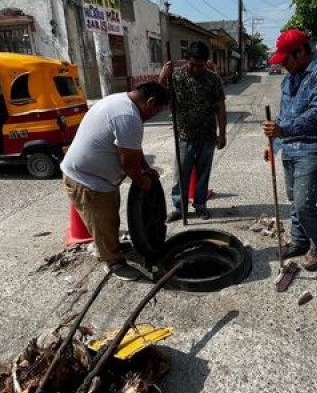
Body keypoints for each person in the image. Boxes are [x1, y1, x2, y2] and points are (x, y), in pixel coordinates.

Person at [60, 82, 169, 281]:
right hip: (87, 181)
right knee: (102, 221)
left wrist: (145, 167)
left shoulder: (121, 101)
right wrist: (142, 181)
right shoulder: (128, 116)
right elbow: (128, 163)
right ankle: (113, 262)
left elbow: (132, 147)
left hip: (95, 177)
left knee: (108, 219)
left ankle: (111, 245)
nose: (155, 114)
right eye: (158, 110)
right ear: (150, 102)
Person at [262, 29, 317, 271]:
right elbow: (284, 114)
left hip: (315, 147)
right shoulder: (290, 79)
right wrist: (274, 143)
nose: (284, 65)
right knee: (294, 199)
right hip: (290, 148)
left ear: (301, 51)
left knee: (304, 202)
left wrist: (282, 129)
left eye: (286, 59)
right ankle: (299, 241)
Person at [159, 41, 227, 222]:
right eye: (193, 65)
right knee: (181, 174)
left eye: (201, 65)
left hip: (207, 136)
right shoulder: (175, 77)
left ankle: (200, 205)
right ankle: (179, 207)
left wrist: (222, 134)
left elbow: (220, 107)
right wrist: (162, 78)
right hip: (184, 135)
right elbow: (159, 98)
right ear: (186, 60)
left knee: (203, 173)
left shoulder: (213, 79)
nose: (197, 69)